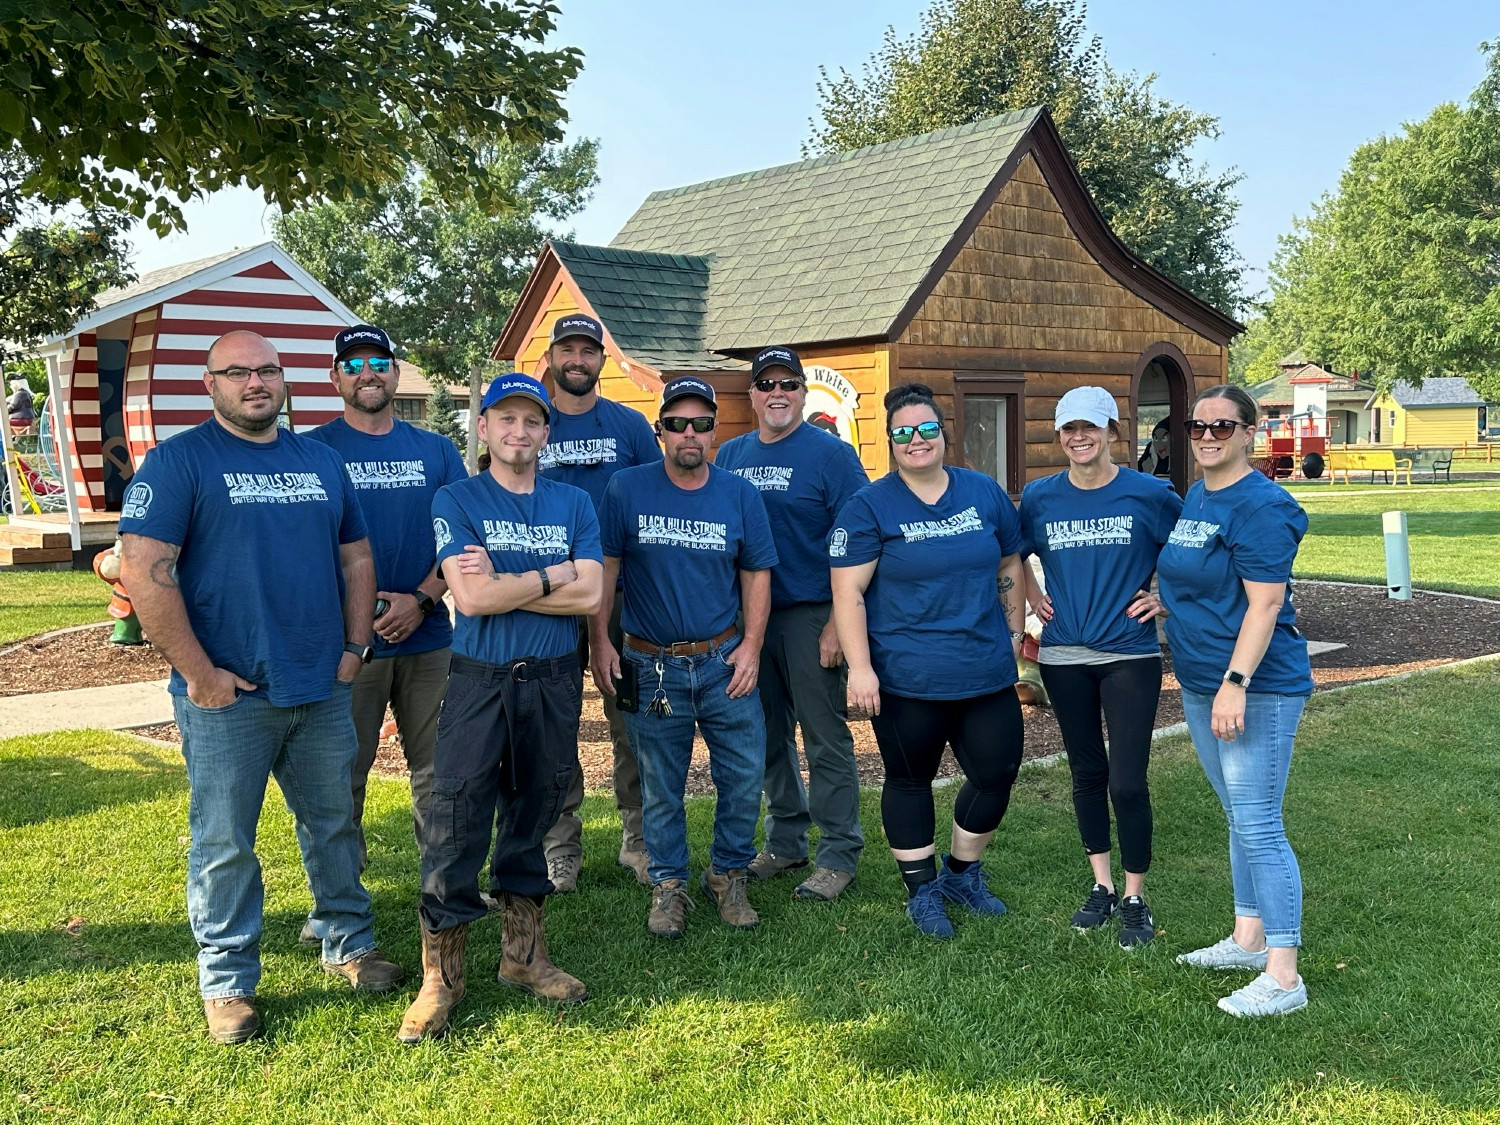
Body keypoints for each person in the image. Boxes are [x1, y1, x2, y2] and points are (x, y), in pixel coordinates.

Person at [118, 330, 402, 1046]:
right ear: (208, 384)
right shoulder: (179, 463)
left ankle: (349, 940)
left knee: (334, 822)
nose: (255, 382)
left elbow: (357, 554)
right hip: (229, 700)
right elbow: (144, 569)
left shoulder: (320, 460)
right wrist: (199, 674)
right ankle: (228, 980)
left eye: (267, 369)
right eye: (237, 371)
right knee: (224, 842)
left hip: (321, 687)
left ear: (284, 381)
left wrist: (353, 647)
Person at [398, 373, 602, 1043]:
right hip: (480, 678)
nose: (519, 431)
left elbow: (593, 594)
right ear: (482, 428)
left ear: (546, 432)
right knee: (455, 819)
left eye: (532, 420)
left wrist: (507, 582)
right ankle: (442, 977)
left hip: (552, 678)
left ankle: (523, 957)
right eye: (505, 419)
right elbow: (474, 600)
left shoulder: (573, 502)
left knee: (534, 811)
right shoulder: (457, 497)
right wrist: (551, 575)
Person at [829, 383, 1028, 939]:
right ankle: (922, 892)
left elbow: (1008, 558)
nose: (916, 440)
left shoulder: (982, 492)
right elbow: (848, 593)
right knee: (910, 780)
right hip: (907, 675)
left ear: (944, 433)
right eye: (902, 433)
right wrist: (861, 668)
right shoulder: (868, 506)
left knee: (996, 773)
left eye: (926, 429)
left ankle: (961, 874)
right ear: (890, 442)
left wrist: (1014, 629)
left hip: (984, 668)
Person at [592, 376, 778, 939]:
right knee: (660, 785)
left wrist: (751, 645)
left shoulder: (739, 493)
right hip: (651, 665)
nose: (689, 433)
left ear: (715, 432)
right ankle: (668, 885)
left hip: (723, 659)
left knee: (744, 777)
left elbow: (757, 571)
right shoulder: (626, 489)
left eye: (700, 423)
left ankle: (727, 874)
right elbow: (606, 570)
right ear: (660, 432)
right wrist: (601, 640)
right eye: (677, 424)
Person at [1156, 384, 1314, 1018]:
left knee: (1259, 823)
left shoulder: (1263, 505)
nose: (1209, 437)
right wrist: (1170, 601)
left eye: (1223, 426)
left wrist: (1236, 683)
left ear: (1250, 432)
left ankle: (1284, 977)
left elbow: (1266, 603)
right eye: (1198, 427)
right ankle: (1249, 938)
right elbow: (1203, 574)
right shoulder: (1201, 493)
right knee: (1237, 815)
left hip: (1256, 686)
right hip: (1200, 677)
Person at [1017, 386, 1182, 949]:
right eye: (1069, 429)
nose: (1079, 438)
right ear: (1059, 435)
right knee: (1086, 773)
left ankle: (1136, 895)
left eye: (1090, 427)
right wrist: (1033, 592)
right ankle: (1103, 885)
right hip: (1064, 654)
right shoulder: (1040, 497)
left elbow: (1192, 551)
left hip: (1128, 654)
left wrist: (1165, 597)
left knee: (1127, 780)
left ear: (1113, 430)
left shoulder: (1150, 494)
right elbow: (1011, 552)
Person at [307, 324, 467, 880]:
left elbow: (461, 538)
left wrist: (421, 599)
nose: (366, 373)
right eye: (352, 366)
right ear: (335, 379)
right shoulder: (312, 450)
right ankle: (340, 892)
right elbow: (307, 544)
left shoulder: (437, 451)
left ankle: (446, 882)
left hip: (428, 640)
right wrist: (365, 610)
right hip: (348, 645)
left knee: (439, 770)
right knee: (342, 772)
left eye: (378, 362)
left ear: (397, 373)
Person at [715, 346, 868, 901]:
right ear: (751, 394)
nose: (777, 392)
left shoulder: (832, 456)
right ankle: (785, 841)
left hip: (809, 614)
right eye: (766, 383)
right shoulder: (729, 455)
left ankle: (838, 852)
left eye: (788, 383)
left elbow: (856, 542)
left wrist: (836, 623)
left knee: (825, 736)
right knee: (766, 737)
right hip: (746, 623)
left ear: (803, 393)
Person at [535, 312, 661, 891]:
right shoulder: (532, 422)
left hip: (622, 594)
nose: (577, 360)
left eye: (588, 351)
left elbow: (652, 501)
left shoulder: (631, 427)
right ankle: (561, 844)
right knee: (554, 721)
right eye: (568, 351)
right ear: (554, 357)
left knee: (628, 717)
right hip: (549, 593)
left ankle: (638, 836)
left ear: (602, 361)